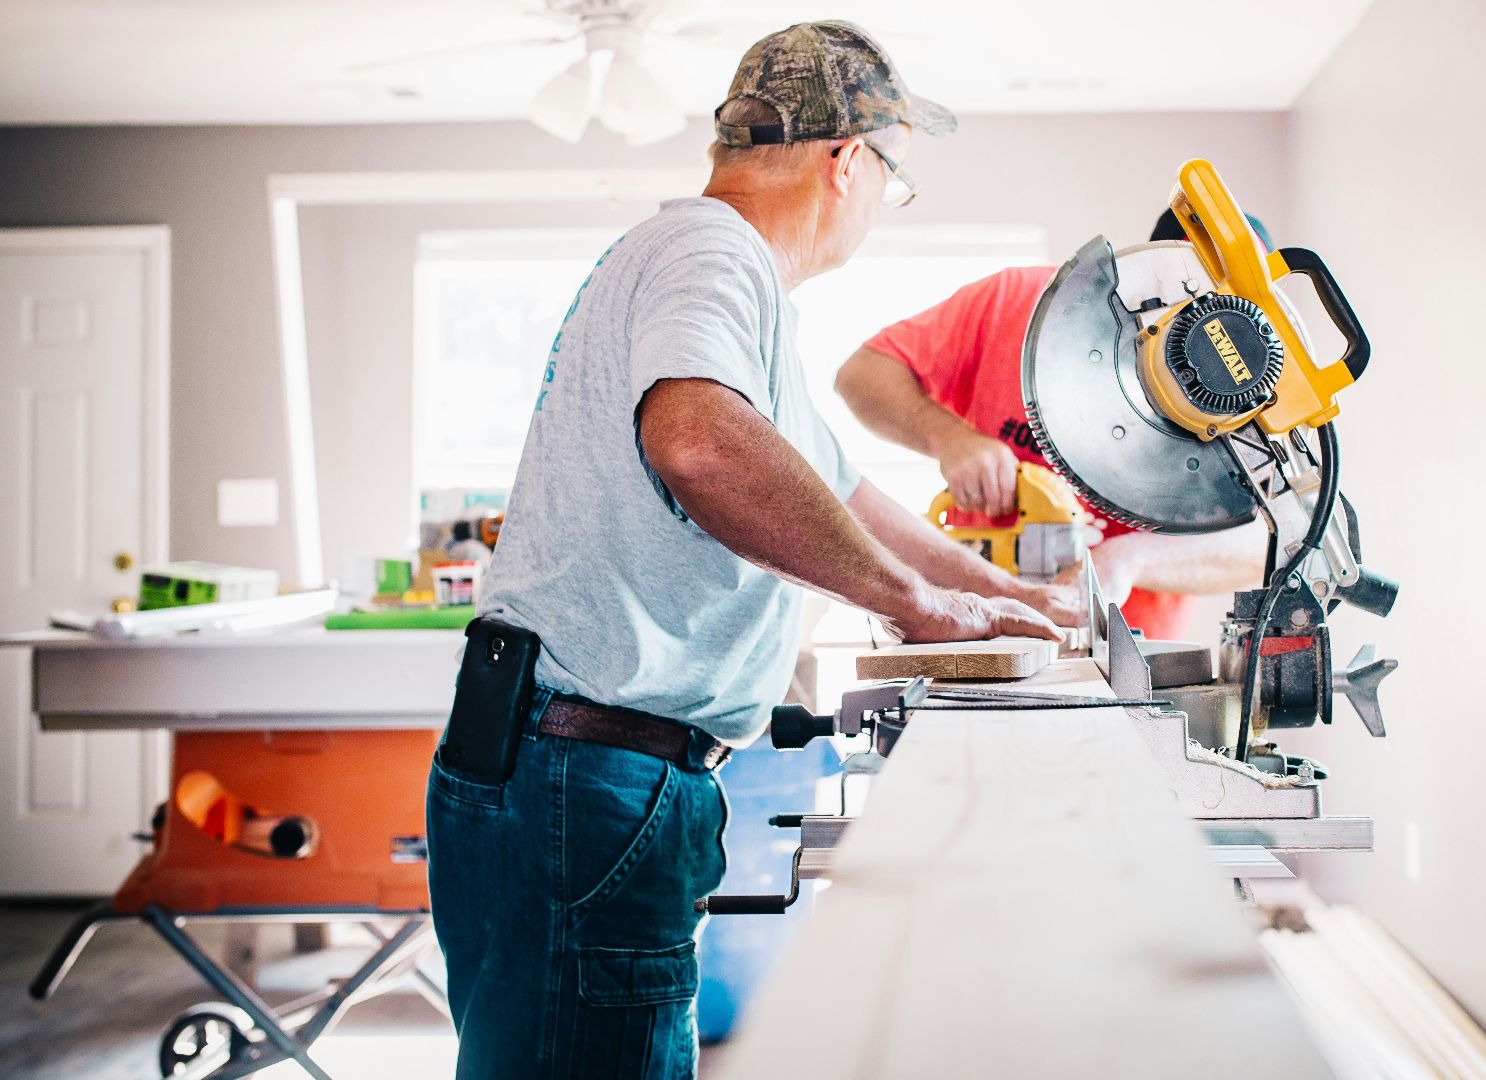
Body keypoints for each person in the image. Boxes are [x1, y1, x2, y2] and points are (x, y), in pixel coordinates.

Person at [424, 22, 1077, 1080]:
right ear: (849, 161)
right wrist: (914, 604)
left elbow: (847, 492)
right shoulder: (710, 252)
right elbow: (696, 444)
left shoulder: (724, 285)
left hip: (570, 769)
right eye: (891, 180)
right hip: (585, 777)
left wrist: (1003, 594)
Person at [835, 210, 1278, 640]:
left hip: (1128, 655)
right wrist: (949, 438)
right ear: (1142, 264)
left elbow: (1270, 544)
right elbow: (862, 375)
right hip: (973, 625)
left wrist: (1132, 558)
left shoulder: (1246, 396)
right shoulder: (1017, 301)